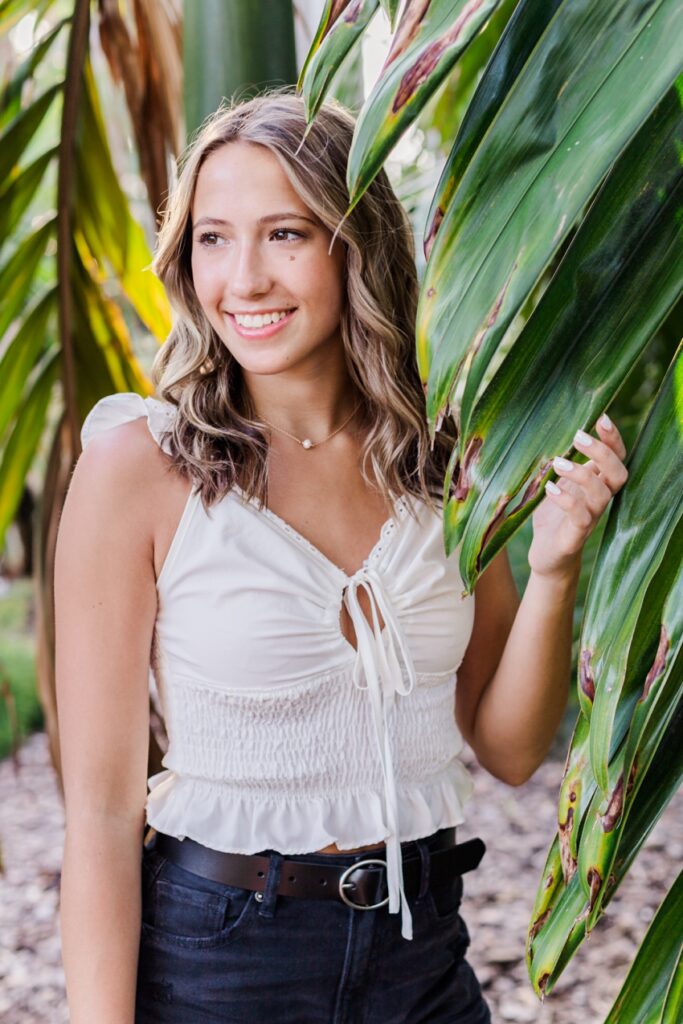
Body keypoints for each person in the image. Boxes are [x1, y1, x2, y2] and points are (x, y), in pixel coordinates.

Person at [54, 86, 629, 1024]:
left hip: (421, 950)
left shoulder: (437, 458)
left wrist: (555, 568)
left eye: (285, 233)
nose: (242, 279)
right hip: (220, 963)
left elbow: (510, 748)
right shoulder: (139, 468)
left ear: (355, 244)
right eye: (212, 237)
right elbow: (105, 817)